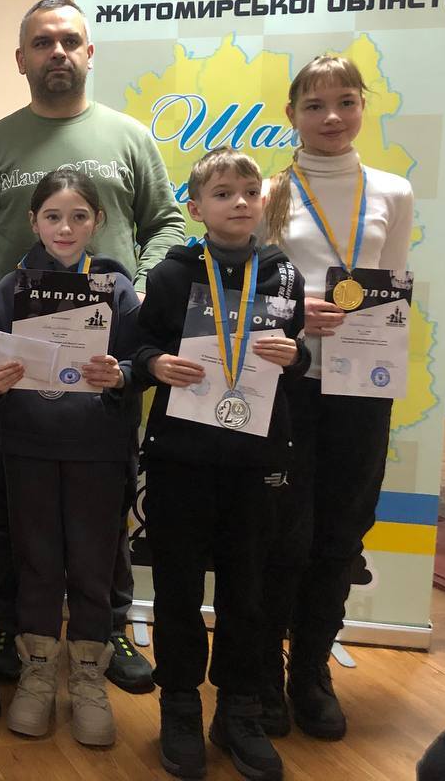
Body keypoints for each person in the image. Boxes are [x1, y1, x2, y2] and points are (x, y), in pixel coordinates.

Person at [0, 0, 184, 690]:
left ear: (90, 52)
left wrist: (135, 291)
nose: (57, 51)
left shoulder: (130, 137)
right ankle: (9, 627)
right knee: (12, 503)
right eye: (42, 42)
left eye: (69, 40)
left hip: (103, 362)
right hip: (20, 368)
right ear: (20, 58)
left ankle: (107, 627)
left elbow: (168, 223)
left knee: (103, 502)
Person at [134, 147, 308, 781]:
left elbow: (298, 352)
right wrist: (155, 364)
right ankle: (179, 703)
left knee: (248, 587)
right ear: (195, 207)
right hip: (182, 456)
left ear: (264, 201)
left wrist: (296, 357)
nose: (239, 203)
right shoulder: (173, 275)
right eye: (223, 193)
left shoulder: (283, 273)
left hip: (255, 458)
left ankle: (240, 708)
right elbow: (140, 346)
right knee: (178, 585)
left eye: (250, 193)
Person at [258, 55, 414, 740]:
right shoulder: (269, 191)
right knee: (279, 532)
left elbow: (391, 286)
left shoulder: (393, 191)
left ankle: (311, 672)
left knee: (341, 532)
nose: (331, 117)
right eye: (315, 105)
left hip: (361, 386)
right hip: (286, 383)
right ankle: (263, 675)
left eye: (346, 101)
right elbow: (250, 293)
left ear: (362, 106)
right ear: (291, 113)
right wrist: (298, 315)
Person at [0, 168, 142, 746]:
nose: (66, 228)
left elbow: (141, 360)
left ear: (97, 221)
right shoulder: (11, 289)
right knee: (38, 560)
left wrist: (121, 374)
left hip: (97, 452)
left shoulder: (116, 289)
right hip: (28, 448)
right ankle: (38, 670)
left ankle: (89, 675)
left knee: (94, 564)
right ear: (34, 222)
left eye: (78, 217)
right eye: (53, 216)